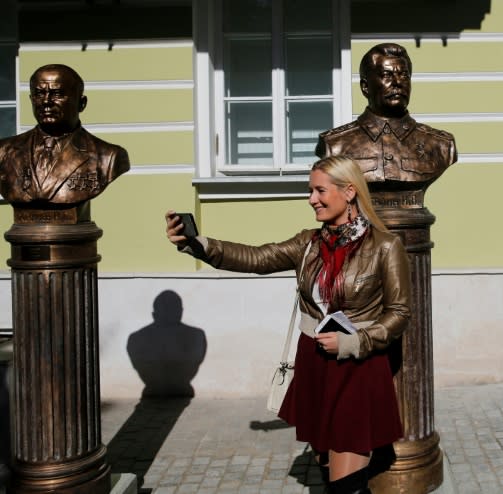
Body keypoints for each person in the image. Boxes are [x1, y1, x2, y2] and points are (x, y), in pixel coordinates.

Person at [165, 156, 411, 494]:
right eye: (311, 190)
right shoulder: (309, 243)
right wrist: (198, 245)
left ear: (349, 192)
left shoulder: (385, 246)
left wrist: (354, 343)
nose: (312, 199)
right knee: (327, 465)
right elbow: (258, 257)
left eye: (320, 190)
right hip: (314, 360)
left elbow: (399, 313)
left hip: (357, 364)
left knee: (346, 480)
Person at [315, 43, 456, 190]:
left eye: (404, 75)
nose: (397, 82)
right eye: (386, 75)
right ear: (365, 87)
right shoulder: (335, 144)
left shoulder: (440, 144)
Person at [0, 64, 130, 206]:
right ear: (31, 99)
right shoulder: (4, 151)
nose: (46, 102)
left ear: (81, 103)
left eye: (57, 94)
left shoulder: (108, 157)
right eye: (39, 94)